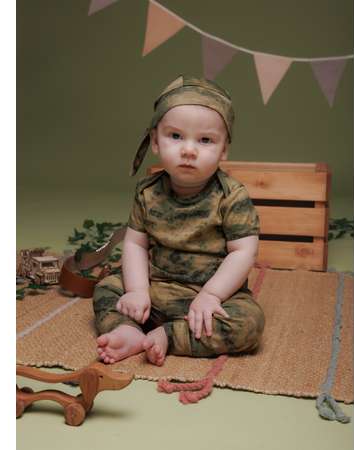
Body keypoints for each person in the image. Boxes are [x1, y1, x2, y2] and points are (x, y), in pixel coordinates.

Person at [93, 75, 265, 366]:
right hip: (154, 290)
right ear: (155, 141)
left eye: (205, 140)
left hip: (210, 297)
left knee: (250, 322)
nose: (188, 150)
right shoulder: (148, 192)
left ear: (224, 149)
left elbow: (243, 252)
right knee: (107, 287)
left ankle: (169, 335)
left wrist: (211, 294)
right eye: (175, 136)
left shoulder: (231, 196)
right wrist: (137, 291)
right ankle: (128, 330)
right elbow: (135, 244)